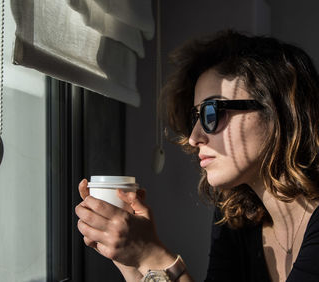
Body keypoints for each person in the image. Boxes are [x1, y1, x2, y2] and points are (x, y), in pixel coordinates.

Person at [75, 30, 319, 282]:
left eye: (212, 113)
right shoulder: (236, 216)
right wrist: (131, 261)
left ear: (279, 111)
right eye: (196, 117)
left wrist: (150, 255)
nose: (193, 137)